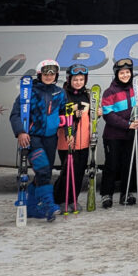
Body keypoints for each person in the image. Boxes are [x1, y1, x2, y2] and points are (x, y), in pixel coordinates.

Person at [9, 60, 67, 221]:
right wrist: (20, 132)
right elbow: (15, 115)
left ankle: (32, 206)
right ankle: (49, 205)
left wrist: (68, 120)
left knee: (45, 172)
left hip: (51, 138)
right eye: (46, 74)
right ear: (40, 74)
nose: (49, 77)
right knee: (42, 170)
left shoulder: (60, 93)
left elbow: (64, 112)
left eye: (52, 74)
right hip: (33, 137)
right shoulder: (29, 92)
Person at [100, 57, 138, 208]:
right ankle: (107, 194)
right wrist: (127, 124)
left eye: (127, 72)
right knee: (112, 165)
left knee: (128, 164)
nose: (125, 75)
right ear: (116, 74)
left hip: (130, 135)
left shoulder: (135, 90)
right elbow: (108, 115)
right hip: (113, 136)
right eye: (122, 73)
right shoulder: (109, 92)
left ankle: (126, 193)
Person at [54, 64, 91, 212]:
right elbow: (57, 116)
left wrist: (97, 113)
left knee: (79, 172)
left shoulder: (87, 94)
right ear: (69, 79)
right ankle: (60, 199)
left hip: (83, 141)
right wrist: (70, 117)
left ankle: (72, 199)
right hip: (67, 140)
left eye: (81, 79)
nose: (78, 82)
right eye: (75, 79)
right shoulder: (63, 95)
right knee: (67, 171)